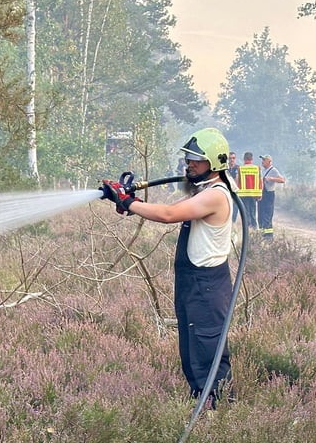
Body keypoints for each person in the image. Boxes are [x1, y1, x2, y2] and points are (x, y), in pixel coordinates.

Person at [101, 128, 237, 408]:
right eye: (189, 159)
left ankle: (219, 409)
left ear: (215, 163)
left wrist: (129, 201)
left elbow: (168, 215)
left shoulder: (216, 195)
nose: (189, 165)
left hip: (207, 284)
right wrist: (127, 201)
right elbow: (173, 205)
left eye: (196, 160)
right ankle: (200, 402)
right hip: (193, 282)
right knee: (191, 347)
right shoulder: (204, 189)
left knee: (207, 347)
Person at [257, 154, 286, 239]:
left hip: (269, 193)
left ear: (269, 161)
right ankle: (261, 234)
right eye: (262, 160)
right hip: (262, 193)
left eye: (264, 160)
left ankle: (269, 236)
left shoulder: (273, 170)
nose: (262, 162)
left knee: (268, 214)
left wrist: (272, 179)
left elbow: (282, 180)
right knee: (261, 214)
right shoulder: (262, 170)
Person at [236, 151, 262, 230]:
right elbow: (260, 181)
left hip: (243, 195)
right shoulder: (257, 168)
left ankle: (247, 229)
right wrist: (260, 194)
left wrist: (236, 194)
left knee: (246, 212)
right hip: (254, 194)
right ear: (252, 159)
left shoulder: (240, 168)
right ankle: (254, 228)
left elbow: (237, 182)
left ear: (244, 159)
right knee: (253, 212)